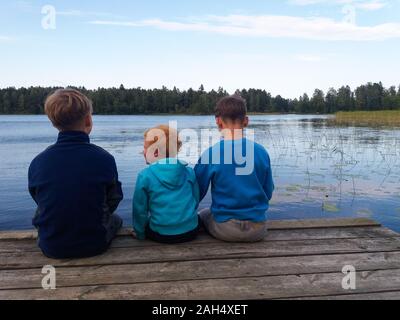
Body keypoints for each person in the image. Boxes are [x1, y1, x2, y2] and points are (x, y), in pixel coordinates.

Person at [28, 89, 123, 259]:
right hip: (95, 245)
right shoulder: (104, 158)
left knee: (41, 210)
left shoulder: (38, 162)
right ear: (88, 120)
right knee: (116, 219)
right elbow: (114, 198)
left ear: (53, 122)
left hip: (51, 247)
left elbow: (38, 197)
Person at [195, 95, 274, 242]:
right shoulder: (261, 152)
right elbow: (268, 192)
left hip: (226, 230)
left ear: (218, 121)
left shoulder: (211, 154)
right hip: (258, 230)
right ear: (246, 121)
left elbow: (195, 193)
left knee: (204, 213)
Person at [132, 125, 200, 244]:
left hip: (161, 235)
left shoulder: (145, 176)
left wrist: (140, 233)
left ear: (156, 152)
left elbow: (139, 211)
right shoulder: (188, 172)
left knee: (148, 222)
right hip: (191, 231)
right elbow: (195, 199)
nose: (143, 151)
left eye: (145, 148)